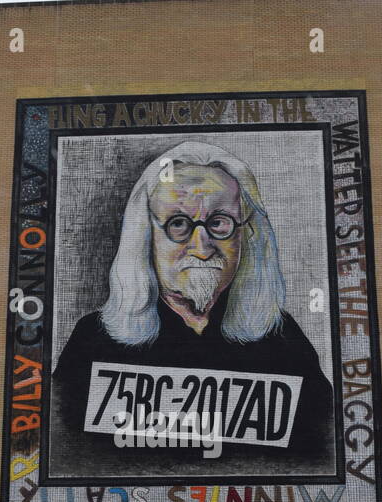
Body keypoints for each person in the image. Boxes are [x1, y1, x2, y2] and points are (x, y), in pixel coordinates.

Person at [52, 141, 336, 475]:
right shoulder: (95, 342)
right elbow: (64, 459)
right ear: (145, 236)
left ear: (247, 235)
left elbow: (321, 458)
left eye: (219, 222)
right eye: (178, 224)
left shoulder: (284, 341)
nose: (202, 248)